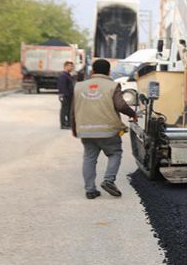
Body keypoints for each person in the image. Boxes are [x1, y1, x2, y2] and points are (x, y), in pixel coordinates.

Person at [72, 59, 137, 199]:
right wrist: (133, 114)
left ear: (92, 71)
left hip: (86, 130)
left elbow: (73, 110)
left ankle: (90, 190)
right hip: (108, 130)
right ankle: (108, 180)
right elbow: (121, 106)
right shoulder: (112, 86)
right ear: (108, 71)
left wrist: (75, 129)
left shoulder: (79, 86)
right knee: (115, 153)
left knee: (89, 158)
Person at [57, 61, 75, 129]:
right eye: (70, 66)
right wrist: (62, 95)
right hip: (65, 95)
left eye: (72, 66)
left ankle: (68, 123)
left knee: (68, 110)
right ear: (66, 66)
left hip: (69, 95)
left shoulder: (68, 75)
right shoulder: (63, 76)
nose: (72, 68)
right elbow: (61, 86)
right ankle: (63, 124)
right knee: (64, 110)